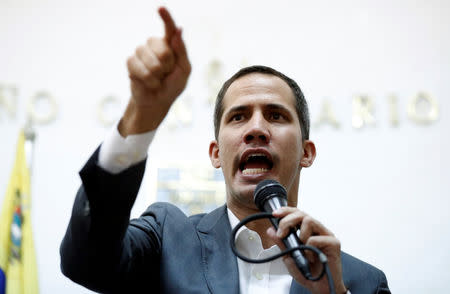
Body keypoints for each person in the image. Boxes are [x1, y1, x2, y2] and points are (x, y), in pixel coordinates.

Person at [60, 7, 390, 294]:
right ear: (216, 154)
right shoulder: (167, 238)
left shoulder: (361, 282)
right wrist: (140, 117)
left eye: (275, 115)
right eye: (238, 116)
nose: (256, 129)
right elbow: (87, 263)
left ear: (307, 152)